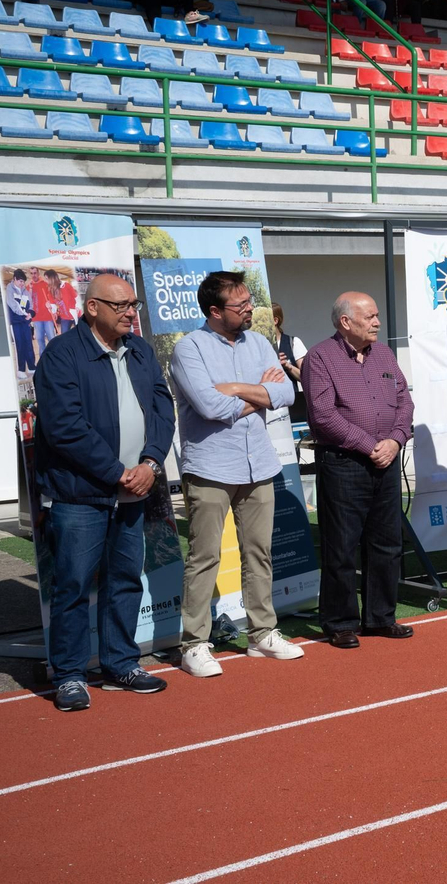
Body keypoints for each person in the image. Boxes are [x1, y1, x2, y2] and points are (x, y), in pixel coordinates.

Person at [32, 274, 174, 710]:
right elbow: (64, 428)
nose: (132, 312)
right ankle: (71, 675)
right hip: (81, 495)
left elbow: (162, 410)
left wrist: (150, 464)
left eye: (134, 305)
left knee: (125, 580)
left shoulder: (141, 351)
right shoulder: (62, 354)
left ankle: (120, 663)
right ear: (92, 308)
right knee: (73, 586)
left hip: (135, 489)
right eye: (122, 306)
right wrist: (117, 472)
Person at [171, 272, 304, 677]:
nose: (250, 309)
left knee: (258, 552)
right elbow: (211, 408)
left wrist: (234, 387)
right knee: (204, 556)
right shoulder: (188, 349)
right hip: (210, 465)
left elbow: (286, 395)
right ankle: (194, 642)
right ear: (214, 311)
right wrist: (255, 392)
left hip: (259, 463)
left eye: (249, 301)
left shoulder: (261, 342)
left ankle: (262, 633)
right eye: (240, 304)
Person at [301, 292, 415, 648]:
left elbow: (404, 401)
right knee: (342, 546)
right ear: (345, 322)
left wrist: (395, 440)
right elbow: (323, 415)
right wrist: (370, 446)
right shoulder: (320, 357)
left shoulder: (383, 354)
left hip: (387, 459)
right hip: (344, 463)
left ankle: (380, 617)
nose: (377, 322)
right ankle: (340, 622)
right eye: (370, 317)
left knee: (387, 543)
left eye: (377, 315)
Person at [272, 303, 308, 423]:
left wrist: (287, 366)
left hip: (291, 405)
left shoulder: (293, 342)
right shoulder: (255, 346)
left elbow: (307, 377)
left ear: (275, 320)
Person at [4, 269, 36, 378]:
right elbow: (13, 305)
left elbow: (31, 306)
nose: (22, 284)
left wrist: (30, 314)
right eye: (20, 281)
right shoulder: (10, 289)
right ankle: (21, 370)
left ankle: (32, 367)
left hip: (25, 322)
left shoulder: (26, 292)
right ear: (14, 279)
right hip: (16, 322)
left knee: (29, 344)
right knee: (20, 345)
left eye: (23, 282)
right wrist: (24, 314)